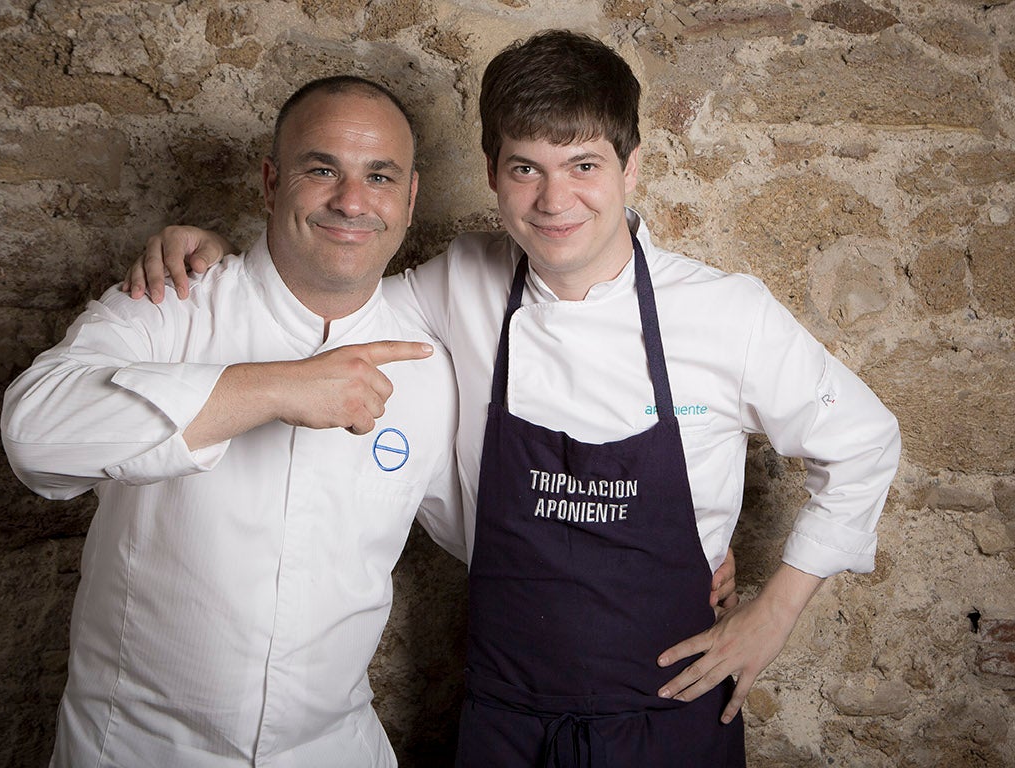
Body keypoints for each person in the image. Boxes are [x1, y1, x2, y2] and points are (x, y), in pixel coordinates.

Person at [125, 30, 901, 767]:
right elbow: (323, 292)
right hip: (505, 719)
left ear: (631, 169)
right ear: (494, 175)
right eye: (527, 167)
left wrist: (776, 613)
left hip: (668, 718)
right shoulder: (458, 283)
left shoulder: (726, 313)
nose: (555, 198)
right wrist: (220, 257)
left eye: (584, 165)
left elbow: (864, 441)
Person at [2, 77, 468, 767]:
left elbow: (503, 539)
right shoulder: (170, 302)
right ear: (271, 182)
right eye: (321, 170)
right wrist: (276, 387)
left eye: (379, 176)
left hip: (334, 750)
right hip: (135, 750)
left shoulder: (433, 366)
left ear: (410, 199)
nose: (351, 200)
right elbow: (33, 436)